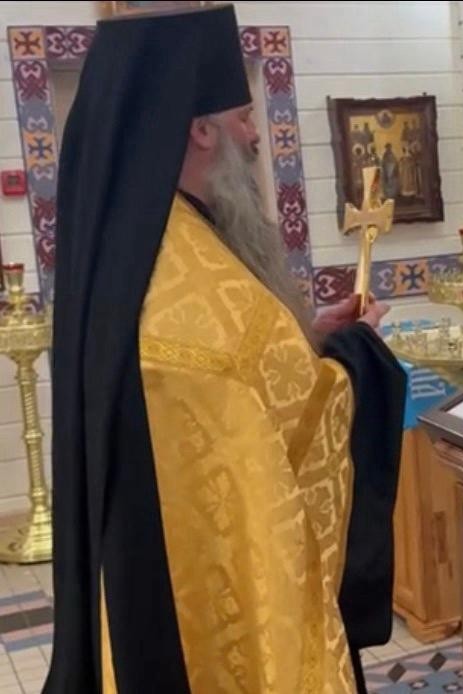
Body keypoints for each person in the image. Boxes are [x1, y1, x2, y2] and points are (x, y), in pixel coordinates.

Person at [46, 6, 405, 693]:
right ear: (201, 129)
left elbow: (247, 376)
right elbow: (302, 422)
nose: (255, 135)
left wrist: (312, 337)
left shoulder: (141, 249)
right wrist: (359, 356)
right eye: (243, 117)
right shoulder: (203, 285)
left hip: (148, 579)